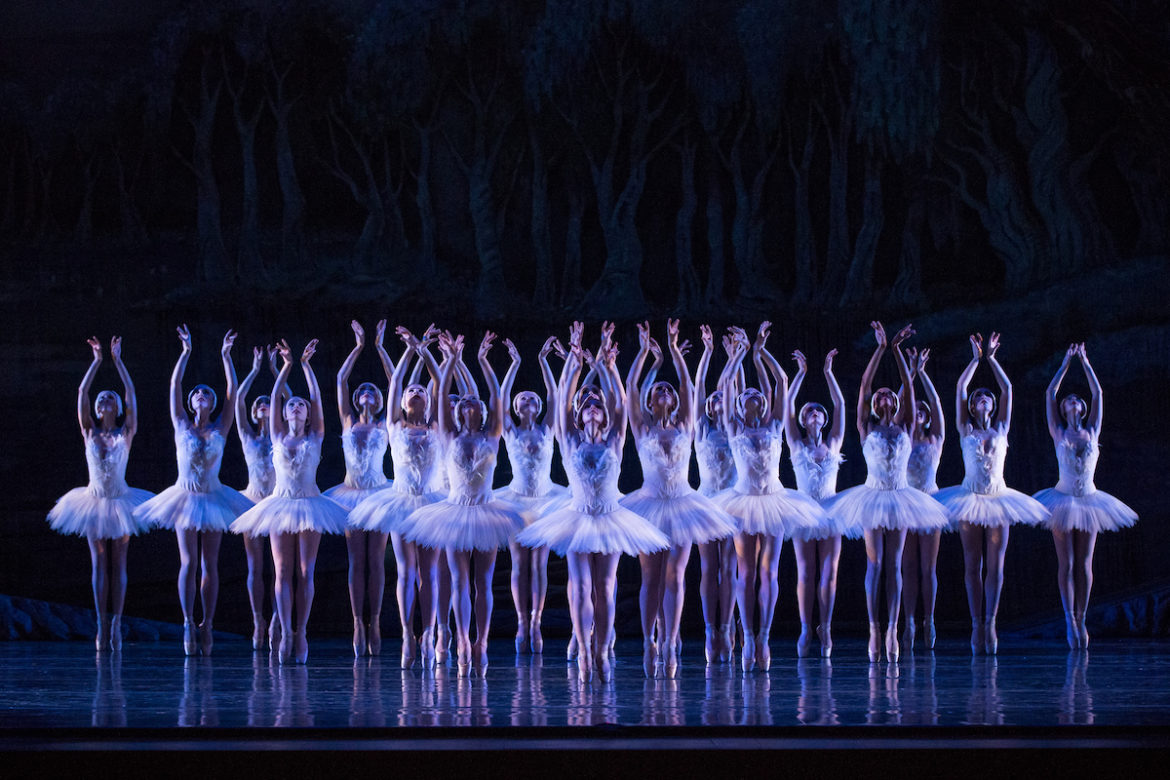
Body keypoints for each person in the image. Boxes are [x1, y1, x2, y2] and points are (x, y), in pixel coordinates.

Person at [517, 322, 669, 683]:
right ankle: (584, 649)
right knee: (582, 586)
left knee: (605, 586)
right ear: (578, 413)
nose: (592, 406)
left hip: (611, 517)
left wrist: (610, 367)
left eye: (597, 403)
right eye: (586, 404)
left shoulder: (615, 439)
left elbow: (622, 402)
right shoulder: (570, 440)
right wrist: (574, 362)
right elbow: (562, 401)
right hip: (578, 518)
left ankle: (601, 648)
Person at [396, 332, 529, 677]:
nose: (469, 401)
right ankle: (461, 640)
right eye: (464, 400)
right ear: (457, 411)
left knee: (483, 581)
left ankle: (481, 642)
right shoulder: (448, 434)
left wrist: (483, 361)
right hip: (454, 510)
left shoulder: (492, 434)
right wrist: (451, 360)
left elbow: (497, 396)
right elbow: (441, 394)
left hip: (486, 511)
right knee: (457, 581)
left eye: (474, 400)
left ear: (482, 410)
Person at [622, 320, 738, 678]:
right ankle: (649, 641)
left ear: (673, 400)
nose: (663, 391)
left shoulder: (686, 424)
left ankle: (671, 642)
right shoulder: (641, 426)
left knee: (675, 575)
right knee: (651, 578)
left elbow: (690, 387)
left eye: (667, 389)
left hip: (684, 505)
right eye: (657, 388)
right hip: (649, 503)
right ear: (650, 399)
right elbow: (630, 387)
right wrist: (645, 352)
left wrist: (675, 350)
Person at [827, 322, 949, 663]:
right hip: (872, 495)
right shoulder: (866, 426)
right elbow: (864, 386)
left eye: (888, 395)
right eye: (879, 395)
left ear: (896, 404)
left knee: (894, 565)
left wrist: (897, 352)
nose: (883, 396)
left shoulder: (907, 426)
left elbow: (908, 388)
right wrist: (880, 348)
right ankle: (873, 628)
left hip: (900, 496)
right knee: (875, 565)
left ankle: (894, 627)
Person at [715, 323, 827, 672]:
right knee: (746, 571)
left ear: (763, 404)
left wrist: (760, 351)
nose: (752, 394)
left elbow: (781, 380)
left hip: (775, 499)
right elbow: (725, 386)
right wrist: (736, 355)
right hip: (743, 500)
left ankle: (764, 636)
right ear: (739, 405)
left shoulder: (775, 424)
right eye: (746, 393)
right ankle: (747, 636)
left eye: (756, 393)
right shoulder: (734, 426)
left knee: (769, 570)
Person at [135, 326, 252, 656]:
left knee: (209, 563)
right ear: (190, 403)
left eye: (206, 393)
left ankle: (208, 624)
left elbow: (232, 393)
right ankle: (188, 622)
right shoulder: (181, 425)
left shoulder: (221, 427)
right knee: (188, 562)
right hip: (185, 497)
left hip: (213, 496)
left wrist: (226, 356)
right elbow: (174, 386)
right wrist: (185, 353)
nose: (201, 394)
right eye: (197, 393)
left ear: (212, 403)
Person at [231, 339, 349, 664]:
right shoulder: (277, 435)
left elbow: (316, 398)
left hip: (310, 503)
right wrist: (284, 367)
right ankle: (283, 630)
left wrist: (306, 366)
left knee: (305, 571)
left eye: (301, 404)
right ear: (283, 414)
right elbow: (274, 397)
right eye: (291, 404)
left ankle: (301, 632)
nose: (296, 406)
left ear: (308, 414)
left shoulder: (316, 435)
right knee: (282, 570)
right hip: (280, 503)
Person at [936, 333, 1049, 654]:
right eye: (978, 398)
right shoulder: (965, 429)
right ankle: (976, 624)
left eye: (988, 397)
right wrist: (975, 359)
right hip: (970, 498)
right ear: (972, 407)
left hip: (998, 498)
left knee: (996, 565)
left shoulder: (1001, 429)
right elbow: (960, 388)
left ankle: (991, 623)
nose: (983, 399)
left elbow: (1008, 389)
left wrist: (992, 359)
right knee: (973, 564)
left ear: (993, 405)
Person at [348, 325, 446, 667]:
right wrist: (408, 350)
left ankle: (428, 633)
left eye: (421, 390)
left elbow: (439, 381)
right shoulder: (394, 426)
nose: (416, 391)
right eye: (410, 391)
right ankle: (406, 634)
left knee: (428, 573)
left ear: (428, 400)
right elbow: (396, 383)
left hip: (432, 501)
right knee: (405, 571)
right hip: (401, 501)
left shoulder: (438, 426)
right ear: (402, 402)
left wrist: (424, 350)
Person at [48, 336, 154, 652]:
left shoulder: (126, 431)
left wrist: (118, 361)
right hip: (93, 501)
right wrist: (96, 361)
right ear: (97, 407)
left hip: (120, 500)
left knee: (119, 563)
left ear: (117, 407)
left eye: (110, 396)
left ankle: (117, 624)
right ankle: (100, 624)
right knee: (98, 563)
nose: (106, 398)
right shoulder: (89, 431)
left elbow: (131, 393)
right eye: (102, 397)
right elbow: (82, 392)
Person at [1035, 343, 1136, 649]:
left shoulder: (1092, 430)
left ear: (1082, 408)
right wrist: (1066, 362)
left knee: (1085, 563)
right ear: (1064, 409)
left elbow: (1098, 394)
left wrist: (1086, 362)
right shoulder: (1058, 431)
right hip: (1063, 500)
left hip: (1090, 500)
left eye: (1078, 399)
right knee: (1066, 563)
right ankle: (1069, 619)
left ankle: (1082, 617)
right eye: (1069, 399)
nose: (1074, 400)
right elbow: (1050, 393)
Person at [495, 335, 570, 655]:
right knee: (518, 564)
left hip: (546, 500)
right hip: (515, 500)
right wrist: (513, 364)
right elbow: (500, 399)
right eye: (523, 398)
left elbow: (555, 394)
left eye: (532, 398)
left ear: (538, 407)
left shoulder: (547, 429)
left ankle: (536, 622)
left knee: (539, 564)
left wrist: (542, 360)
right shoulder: (510, 430)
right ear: (516, 407)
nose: (528, 400)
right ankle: (521, 622)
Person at [326, 321, 394, 658]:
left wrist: (379, 347)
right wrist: (358, 346)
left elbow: (395, 381)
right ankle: (357, 623)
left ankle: (376, 621)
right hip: (351, 493)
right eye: (362, 389)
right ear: (356, 398)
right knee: (357, 560)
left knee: (376, 560)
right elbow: (341, 379)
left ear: (380, 400)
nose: (367, 391)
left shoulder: (386, 423)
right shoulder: (348, 421)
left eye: (372, 389)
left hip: (379, 494)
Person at [786, 348, 848, 658]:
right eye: (809, 410)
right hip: (804, 512)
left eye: (818, 411)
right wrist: (800, 374)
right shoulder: (796, 444)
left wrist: (827, 372)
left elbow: (840, 404)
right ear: (802, 419)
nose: (814, 412)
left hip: (831, 510)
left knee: (829, 573)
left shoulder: (834, 442)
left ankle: (826, 626)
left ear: (823, 420)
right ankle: (805, 627)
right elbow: (787, 406)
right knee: (806, 572)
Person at [692, 326, 743, 663]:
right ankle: (712, 629)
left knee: (730, 567)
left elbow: (732, 387)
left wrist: (734, 357)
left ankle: (727, 625)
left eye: (720, 398)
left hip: (735, 503)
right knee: (710, 568)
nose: (716, 401)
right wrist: (709, 353)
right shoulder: (701, 429)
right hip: (708, 501)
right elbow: (698, 386)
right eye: (712, 400)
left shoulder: (738, 428)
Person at [900, 347, 945, 651]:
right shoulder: (902, 437)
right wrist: (910, 374)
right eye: (912, 410)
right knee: (908, 567)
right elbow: (900, 401)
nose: (916, 413)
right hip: (906, 503)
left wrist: (922, 373)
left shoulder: (935, 438)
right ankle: (909, 622)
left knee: (928, 567)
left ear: (927, 418)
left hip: (929, 501)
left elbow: (937, 404)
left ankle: (928, 619)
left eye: (921, 411)